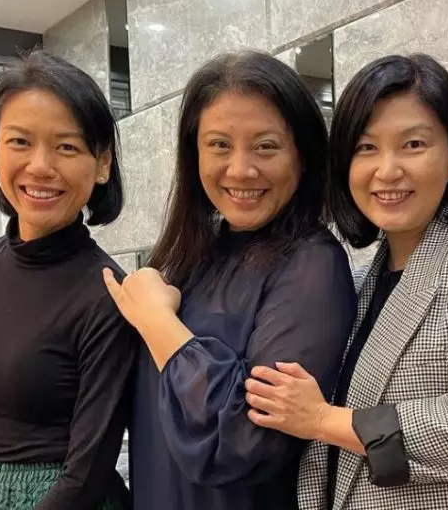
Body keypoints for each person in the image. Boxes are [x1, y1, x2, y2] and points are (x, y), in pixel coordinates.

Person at [245, 53, 448, 510]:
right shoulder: (359, 280)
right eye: (366, 148)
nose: (387, 171)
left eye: (413, 144)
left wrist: (322, 420)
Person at [103, 51, 356, 510]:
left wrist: (159, 324)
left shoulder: (313, 265)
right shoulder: (190, 254)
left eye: (266, 146)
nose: (240, 169)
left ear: (303, 156)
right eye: (219, 145)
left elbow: (241, 438)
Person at [0, 50, 135, 510]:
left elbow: (89, 470)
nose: (40, 166)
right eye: (19, 141)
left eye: (66, 147)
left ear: (102, 163)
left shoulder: (110, 293)